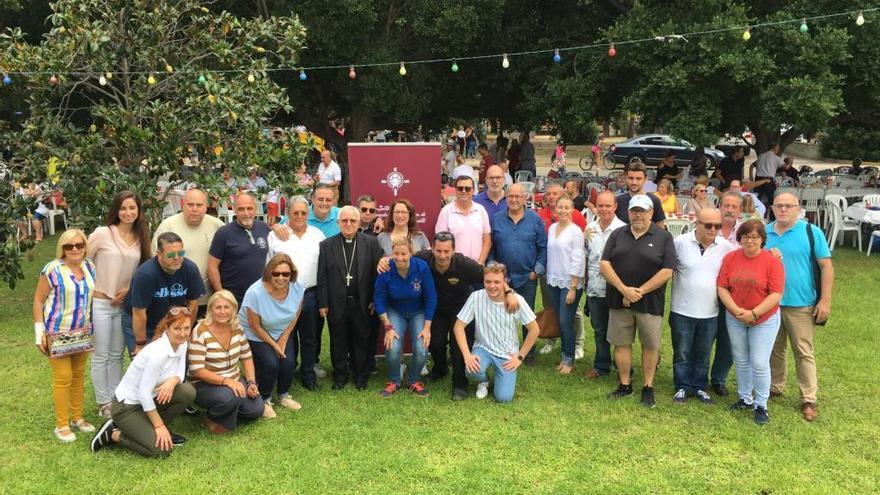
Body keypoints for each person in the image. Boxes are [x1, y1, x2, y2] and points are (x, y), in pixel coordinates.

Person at [89, 308, 197, 456]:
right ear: (167, 327)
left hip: (149, 401)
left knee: (187, 391)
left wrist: (173, 381)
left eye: (186, 328)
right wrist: (159, 426)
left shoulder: (182, 343)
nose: (183, 333)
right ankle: (113, 434)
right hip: (127, 407)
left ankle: (150, 429)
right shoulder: (158, 354)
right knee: (162, 450)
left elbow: (180, 372)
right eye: (177, 328)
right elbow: (143, 394)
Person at [601, 195, 675, 408]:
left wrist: (638, 292)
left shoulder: (663, 237)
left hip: (649, 302)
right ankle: (625, 384)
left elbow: (667, 271)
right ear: (629, 212)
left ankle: (648, 386)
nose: (638, 215)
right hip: (619, 299)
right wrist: (624, 289)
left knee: (650, 345)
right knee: (621, 343)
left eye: (642, 211)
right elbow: (605, 264)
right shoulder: (617, 234)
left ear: (652, 213)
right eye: (634, 211)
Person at [766, 193, 834, 422]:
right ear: (773, 208)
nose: (783, 209)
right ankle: (775, 386)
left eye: (789, 206)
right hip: (772, 303)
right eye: (779, 206)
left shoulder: (811, 232)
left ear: (798, 209)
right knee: (775, 349)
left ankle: (808, 398)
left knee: (803, 351)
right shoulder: (765, 233)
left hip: (801, 303)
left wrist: (825, 300)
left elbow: (826, 267)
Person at [88, 191, 151, 419]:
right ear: (116, 210)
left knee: (116, 354)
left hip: (125, 304)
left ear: (138, 211)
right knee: (100, 355)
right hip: (101, 302)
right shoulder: (103, 233)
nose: (128, 213)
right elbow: (82, 260)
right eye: (123, 208)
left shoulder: (141, 236)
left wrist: (130, 290)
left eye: (132, 208)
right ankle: (103, 401)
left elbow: (143, 272)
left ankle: (116, 398)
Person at [717, 220, 785, 425]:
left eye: (755, 237)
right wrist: (736, 310)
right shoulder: (731, 258)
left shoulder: (772, 261)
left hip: (764, 318)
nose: (750, 240)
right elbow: (722, 287)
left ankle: (761, 404)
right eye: (746, 236)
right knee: (741, 359)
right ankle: (745, 398)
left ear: (762, 239)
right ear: (739, 238)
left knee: (759, 362)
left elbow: (776, 293)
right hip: (736, 316)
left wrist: (754, 313)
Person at [33, 229, 97, 442]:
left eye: (79, 245)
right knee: (63, 379)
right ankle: (61, 424)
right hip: (57, 332)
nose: (75, 249)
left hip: (82, 332)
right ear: (62, 248)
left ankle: (77, 417)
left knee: (78, 376)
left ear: (85, 247)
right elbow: (38, 301)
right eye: (69, 246)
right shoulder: (51, 269)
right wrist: (38, 333)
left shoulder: (90, 268)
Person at [669, 208, 736, 404]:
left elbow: (746, 260)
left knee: (704, 353)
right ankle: (682, 385)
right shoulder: (679, 243)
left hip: (710, 311)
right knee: (682, 352)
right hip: (682, 309)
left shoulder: (726, 247)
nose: (713, 229)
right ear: (696, 224)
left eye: (718, 225)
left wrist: (771, 255)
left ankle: (699, 386)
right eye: (708, 225)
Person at [317, 206, 384, 390]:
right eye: (344, 221)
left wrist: (374, 299)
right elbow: (321, 276)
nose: (348, 224)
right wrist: (322, 302)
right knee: (338, 341)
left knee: (361, 340)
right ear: (338, 223)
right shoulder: (327, 245)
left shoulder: (371, 243)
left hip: (362, 302)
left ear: (358, 223)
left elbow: (377, 276)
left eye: (352, 221)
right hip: (336, 302)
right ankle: (339, 376)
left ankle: (360, 376)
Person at [454, 262, 540, 403]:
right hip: (483, 348)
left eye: (497, 282)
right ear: (483, 281)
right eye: (488, 281)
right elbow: (458, 326)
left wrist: (520, 357)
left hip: (507, 354)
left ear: (505, 282)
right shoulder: (476, 297)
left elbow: (534, 329)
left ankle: (502, 377)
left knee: (503, 398)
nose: (492, 286)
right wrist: (467, 355)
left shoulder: (517, 301)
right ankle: (483, 380)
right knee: (471, 369)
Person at [266, 196, 325, 391]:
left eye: (303, 213)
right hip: (284, 294)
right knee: (286, 334)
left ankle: (308, 374)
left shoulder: (317, 235)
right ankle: (287, 371)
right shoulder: (277, 235)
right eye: (295, 213)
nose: (299, 216)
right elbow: (268, 267)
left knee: (309, 336)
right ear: (288, 213)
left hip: (310, 293)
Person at [188, 290, 263, 433]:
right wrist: (227, 382)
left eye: (227, 307)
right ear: (210, 309)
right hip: (203, 384)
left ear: (234, 309)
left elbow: (246, 357)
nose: (222, 312)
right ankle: (210, 418)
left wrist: (251, 382)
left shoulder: (237, 327)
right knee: (231, 396)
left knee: (255, 410)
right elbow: (197, 371)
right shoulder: (200, 331)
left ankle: (229, 409)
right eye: (218, 307)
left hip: (233, 379)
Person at [240, 254, 305, 418]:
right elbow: (255, 325)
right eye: (276, 273)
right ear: (269, 273)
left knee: (289, 361)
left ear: (292, 274)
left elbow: (295, 315)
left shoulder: (298, 287)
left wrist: (283, 338)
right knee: (271, 363)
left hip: (282, 329)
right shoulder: (255, 292)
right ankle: (265, 399)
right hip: (256, 332)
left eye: (286, 274)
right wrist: (274, 345)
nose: (281, 277)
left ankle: (283, 395)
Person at [490, 184, 547, 366]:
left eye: (518, 196)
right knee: (500, 315)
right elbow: (491, 247)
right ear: (506, 198)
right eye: (510, 196)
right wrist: (494, 270)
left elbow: (543, 247)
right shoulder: (497, 219)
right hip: (502, 279)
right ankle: (500, 350)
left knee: (526, 315)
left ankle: (528, 353)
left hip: (526, 277)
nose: (514, 200)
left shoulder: (535, 220)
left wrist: (536, 272)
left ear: (525, 198)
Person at [374, 238, 437, 398]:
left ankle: (413, 380)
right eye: (396, 253)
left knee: (422, 348)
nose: (400, 257)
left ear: (411, 253)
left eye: (404, 254)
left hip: (418, 311)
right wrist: (388, 327)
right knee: (393, 346)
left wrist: (427, 328)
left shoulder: (421, 267)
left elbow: (431, 297)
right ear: (392, 253)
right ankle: (394, 381)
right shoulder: (386, 270)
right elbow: (379, 301)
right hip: (395, 311)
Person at [124, 232, 204, 356]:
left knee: (175, 361)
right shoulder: (146, 275)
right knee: (146, 362)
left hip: (173, 322)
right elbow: (139, 313)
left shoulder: (190, 268)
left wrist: (186, 333)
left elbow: (193, 304)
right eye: (171, 254)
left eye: (181, 253)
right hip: (143, 321)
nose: (177, 258)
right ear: (159, 254)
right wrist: (140, 344)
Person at [152, 189, 224, 317]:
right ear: (182, 205)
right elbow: (155, 260)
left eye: (199, 205)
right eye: (190, 204)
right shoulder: (168, 225)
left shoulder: (217, 226)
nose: (195, 209)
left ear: (206, 207)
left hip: (209, 300)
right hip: (176, 299)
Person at [583, 191, 626, 378]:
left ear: (615, 206)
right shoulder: (589, 228)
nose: (604, 209)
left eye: (608, 205)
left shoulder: (624, 230)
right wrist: (585, 284)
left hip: (616, 288)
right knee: (599, 329)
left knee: (619, 330)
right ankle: (601, 365)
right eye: (600, 205)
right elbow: (586, 257)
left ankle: (623, 365)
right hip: (594, 287)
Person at [207, 193, 271, 305]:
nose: (246, 213)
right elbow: (212, 267)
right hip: (233, 299)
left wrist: (277, 226)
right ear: (235, 210)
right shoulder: (223, 233)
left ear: (255, 209)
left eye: (249, 208)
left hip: (261, 297)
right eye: (241, 209)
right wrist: (221, 294)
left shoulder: (264, 228)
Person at [545, 197, 585, 374]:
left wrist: (573, 286)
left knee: (566, 321)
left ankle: (568, 360)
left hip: (569, 283)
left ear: (572, 210)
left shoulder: (575, 231)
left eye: (566, 207)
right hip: (553, 280)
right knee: (560, 321)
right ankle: (564, 355)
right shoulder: (552, 228)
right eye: (560, 207)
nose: (562, 210)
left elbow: (578, 258)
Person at [435, 175, 492, 264]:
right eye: (460, 188)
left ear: (473, 191)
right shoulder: (446, 212)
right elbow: (440, 242)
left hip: (477, 266)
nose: (464, 191)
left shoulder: (481, 210)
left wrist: (480, 264)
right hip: (454, 267)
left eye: (467, 188)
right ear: (455, 190)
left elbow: (487, 240)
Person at [615, 161, 665, 226]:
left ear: (645, 179)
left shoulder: (654, 201)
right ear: (626, 178)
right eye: (631, 178)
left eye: (638, 179)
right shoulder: (619, 200)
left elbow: (660, 228)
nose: (634, 182)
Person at [751, 143, 783, 211]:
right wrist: (789, 161)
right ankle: (771, 217)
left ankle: (756, 215)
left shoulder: (761, 156)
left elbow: (752, 166)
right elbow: (786, 167)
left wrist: (751, 177)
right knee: (771, 200)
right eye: (778, 147)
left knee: (756, 199)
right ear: (774, 147)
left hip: (758, 180)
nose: (778, 149)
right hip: (768, 180)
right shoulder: (776, 158)